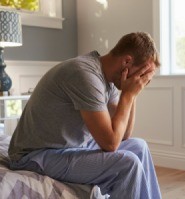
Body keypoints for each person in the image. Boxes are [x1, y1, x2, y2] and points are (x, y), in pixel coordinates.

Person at [8, 32, 162, 199]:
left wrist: (133, 94)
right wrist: (129, 95)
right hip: (36, 155)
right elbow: (110, 143)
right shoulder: (85, 74)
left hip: (71, 148)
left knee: (139, 147)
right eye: (142, 75)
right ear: (126, 61)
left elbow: (124, 135)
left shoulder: (107, 78)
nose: (142, 81)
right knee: (127, 165)